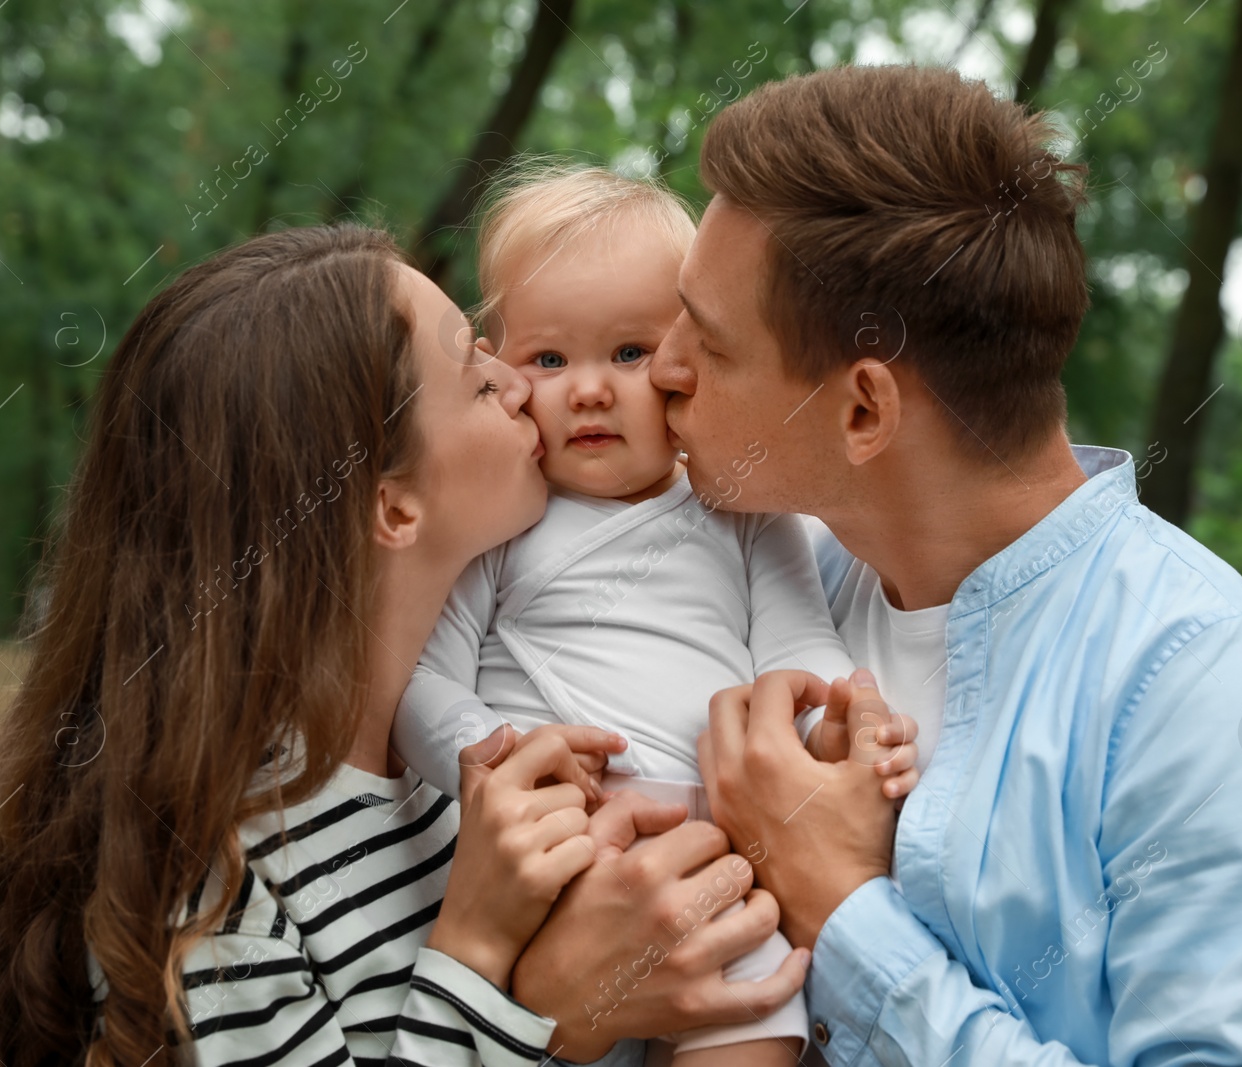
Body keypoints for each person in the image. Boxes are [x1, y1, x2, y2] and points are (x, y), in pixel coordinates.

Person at [641, 65, 1242, 1066]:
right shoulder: (753, 589)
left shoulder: (1215, 690)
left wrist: (844, 910)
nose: (660, 365)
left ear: (864, 409)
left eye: (706, 340)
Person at [0, 225, 807, 1067]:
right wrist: (508, 979)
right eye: (473, 367)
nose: (519, 381)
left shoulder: (463, 762)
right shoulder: (216, 891)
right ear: (392, 505)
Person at [393, 165, 919, 1067]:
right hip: (558, 857)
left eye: (629, 354)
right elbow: (423, 684)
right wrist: (493, 758)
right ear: (501, 367)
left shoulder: (742, 509)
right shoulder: (506, 520)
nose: (589, 390)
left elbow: (797, 641)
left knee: (754, 994)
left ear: (686, 364)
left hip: (718, 854)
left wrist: (835, 714)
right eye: (549, 360)